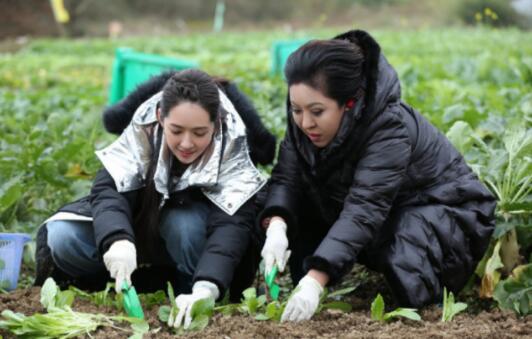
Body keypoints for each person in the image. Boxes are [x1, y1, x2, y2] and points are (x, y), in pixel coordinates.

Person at [258, 29, 496, 322]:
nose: (305, 122)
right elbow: (287, 178)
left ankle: (424, 308)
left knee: (404, 249)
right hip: (388, 210)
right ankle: (306, 281)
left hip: (449, 213)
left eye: (317, 111)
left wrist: (316, 280)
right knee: (301, 200)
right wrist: (277, 225)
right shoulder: (307, 121)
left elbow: (365, 209)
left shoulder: (388, 128)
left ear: (348, 102)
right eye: (296, 110)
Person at [34, 69, 276, 329]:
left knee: (183, 225)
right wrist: (117, 240)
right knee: (62, 236)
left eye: (198, 133)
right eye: (177, 130)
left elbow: (231, 227)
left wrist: (207, 288)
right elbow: (108, 190)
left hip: (191, 244)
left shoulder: (233, 145)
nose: (186, 143)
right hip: (140, 230)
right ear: (161, 117)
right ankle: (119, 279)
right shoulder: (142, 129)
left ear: (215, 123)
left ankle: (187, 289)